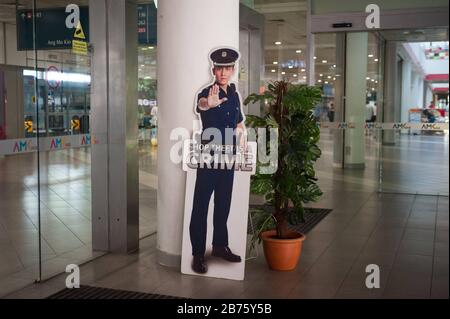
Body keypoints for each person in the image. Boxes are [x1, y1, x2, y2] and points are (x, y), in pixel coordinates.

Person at [190, 48, 246, 274]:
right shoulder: (206, 92)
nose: (223, 72)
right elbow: (201, 105)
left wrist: (243, 137)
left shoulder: (234, 94)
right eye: (219, 68)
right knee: (201, 205)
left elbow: (238, 123)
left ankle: (220, 246)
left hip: (228, 157)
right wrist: (209, 104)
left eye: (228, 68)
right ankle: (197, 254)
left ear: (233, 70)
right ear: (213, 69)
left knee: (223, 204)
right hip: (209, 157)